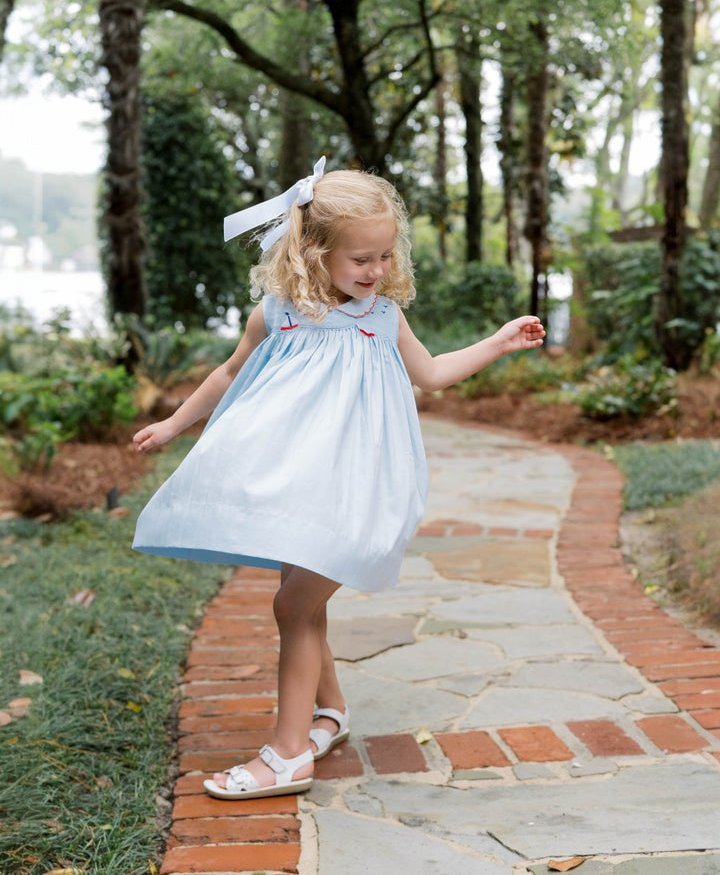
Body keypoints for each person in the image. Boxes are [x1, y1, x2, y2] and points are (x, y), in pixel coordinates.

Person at [132, 156, 545, 800]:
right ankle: (329, 714)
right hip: (296, 483)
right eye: (360, 259)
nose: (376, 271)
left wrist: (496, 341)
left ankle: (288, 754)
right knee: (302, 596)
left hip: (358, 487)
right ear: (314, 251)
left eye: (383, 256)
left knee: (294, 604)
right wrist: (173, 424)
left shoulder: (382, 318)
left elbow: (430, 374)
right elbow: (228, 374)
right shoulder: (279, 314)